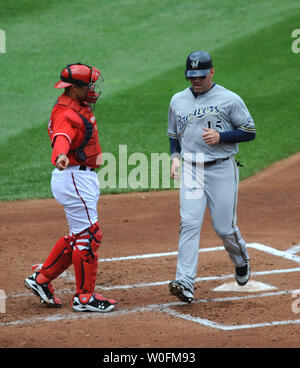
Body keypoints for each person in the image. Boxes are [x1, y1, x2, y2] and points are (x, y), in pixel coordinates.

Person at [25, 63, 117, 312]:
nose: (92, 88)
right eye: (88, 85)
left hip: (79, 178)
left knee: (80, 235)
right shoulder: (67, 113)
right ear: (75, 87)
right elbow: (61, 138)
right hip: (74, 177)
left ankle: (41, 279)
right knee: (89, 236)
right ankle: (84, 297)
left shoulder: (76, 105)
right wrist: (61, 156)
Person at [168, 51, 256, 303]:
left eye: (201, 76)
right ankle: (185, 281)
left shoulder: (230, 99)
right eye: (191, 76)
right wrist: (175, 157)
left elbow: (249, 131)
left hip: (221, 169)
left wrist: (222, 137)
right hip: (191, 170)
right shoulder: (177, 100)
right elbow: (174, 135)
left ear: (212, 72)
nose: (196, 81)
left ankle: (240, 259)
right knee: (189, 223)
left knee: (224, 227)